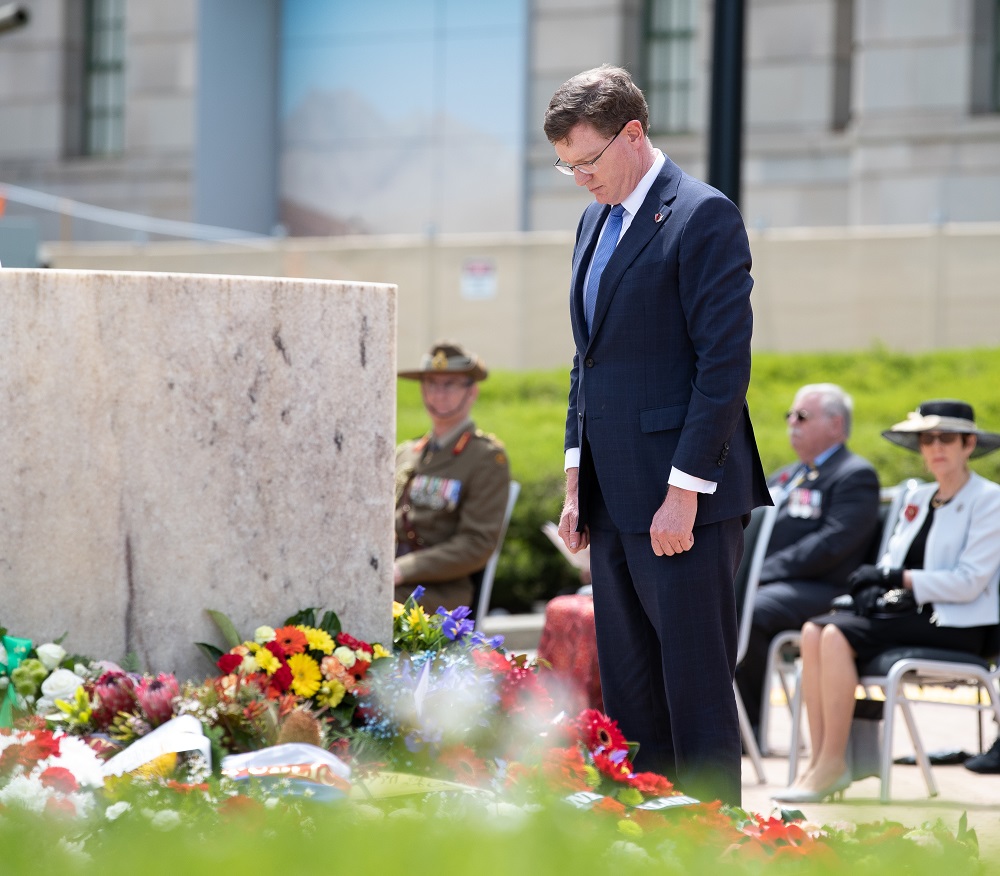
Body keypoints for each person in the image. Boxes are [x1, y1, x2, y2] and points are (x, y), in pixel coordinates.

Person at [544, 65, 770, 805]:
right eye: (565, 164)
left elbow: (723, 366)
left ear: (632, 135)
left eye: (587, 160)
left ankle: (712, 842)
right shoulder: (592, 221)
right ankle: (647, 834)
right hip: (612, 499)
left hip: (684, 503)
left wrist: (684, 493)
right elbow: (590, 360)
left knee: (695, 693)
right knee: (633, 695)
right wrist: (578, 480)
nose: (578, 178)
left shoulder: (703, 216)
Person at [773, 399, 1000, 803]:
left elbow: (969, 583)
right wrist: (876, 585)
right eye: (926, 439)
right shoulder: (919, 497)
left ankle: (832, 764)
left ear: (969, 444)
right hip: (908, 613)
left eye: (946, 438)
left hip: (958, 624)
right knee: (812, 631)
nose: (935, 447)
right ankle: (822, 760)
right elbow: (891, 561)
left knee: (834, 636)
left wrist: (899, 578)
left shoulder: (989, 500)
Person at [735, 384, 880, 738]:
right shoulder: (786, 475)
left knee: (750, 609)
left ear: (835, 424)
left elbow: (831, 544)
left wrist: (760, 575)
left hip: (825, 591)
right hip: (779, 584)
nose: (792, 423)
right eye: (789, 416)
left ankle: (746, 728)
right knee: (722, 600)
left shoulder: (854, 475)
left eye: (802, 416)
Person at [393, 340, 510, 612]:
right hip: (388, 580)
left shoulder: (486, 458)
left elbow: (476, 544)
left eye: (450, 384)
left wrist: (403, 569)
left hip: (437, 595)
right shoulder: (406, 453)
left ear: (472, 392)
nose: (438, 393)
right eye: (431, 383)